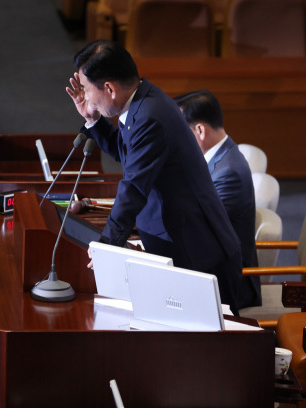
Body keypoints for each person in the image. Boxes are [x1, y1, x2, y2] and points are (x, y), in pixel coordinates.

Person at [65, 40, 244, 314]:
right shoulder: (142, 102)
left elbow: (133, 188)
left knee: (210, 348)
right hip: (185, 242)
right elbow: (129, 155)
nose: (86, 98)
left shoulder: (150, 116)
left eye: (88, 91)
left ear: (110, 89)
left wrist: (106, 248)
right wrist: (93, 120)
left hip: (198, 251)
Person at [174, 89, 261, 308]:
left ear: (200, 130)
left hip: (230, 282)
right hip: (216, 264)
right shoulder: (220, 156)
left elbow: (200, 228)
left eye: (180, 132)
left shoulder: (228, 172)